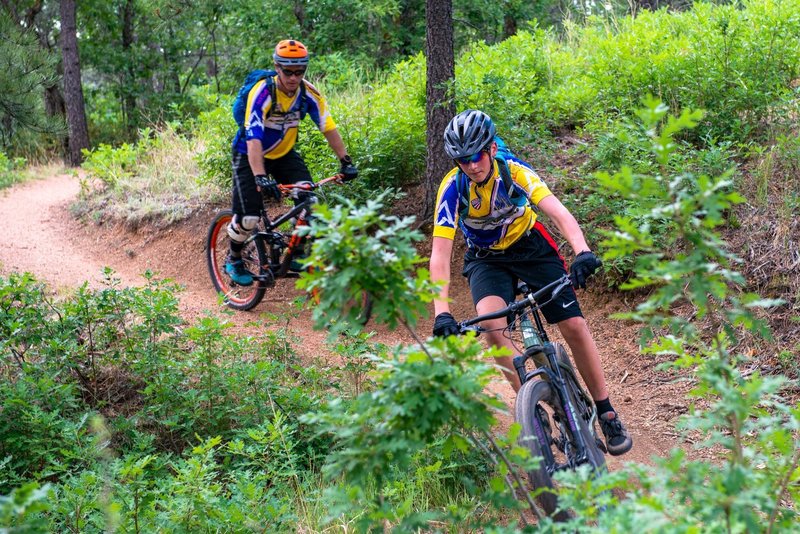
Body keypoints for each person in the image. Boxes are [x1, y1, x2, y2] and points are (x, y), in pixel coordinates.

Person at [429, 109, 632, 456]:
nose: (471, 165)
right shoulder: (452, 187)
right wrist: (441, 312)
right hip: (486, 258)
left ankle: (606, 410)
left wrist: (582, 251)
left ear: (491, 149)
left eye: (476, 155)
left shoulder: (515, 172)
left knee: (573, 324)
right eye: (462, 159)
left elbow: (557, 211)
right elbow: (439, 253)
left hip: (531, 246)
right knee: (493, 330)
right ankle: (533, 407)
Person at [225, 39, 358, 285]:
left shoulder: (308, 93)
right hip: (248, 155)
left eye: (300, 71)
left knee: (309, 199)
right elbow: (253, 137)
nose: (294, 77)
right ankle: (233, 258)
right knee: (249, 219)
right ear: (277, 67)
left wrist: (346, 161)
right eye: (288, 71)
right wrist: (259, 177)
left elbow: (328, 127)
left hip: (284, 155)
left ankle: (296, 253)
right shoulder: (263, 92)